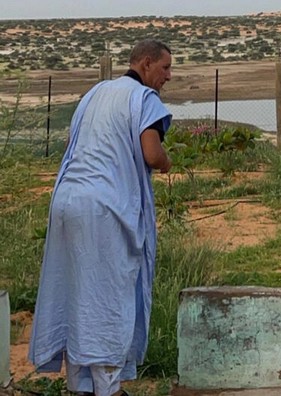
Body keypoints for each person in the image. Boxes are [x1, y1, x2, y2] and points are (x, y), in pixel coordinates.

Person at [29, 39, 173, 396]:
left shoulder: (95, 93)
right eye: (165, 67)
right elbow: (152, 154)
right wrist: (169, 162)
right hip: (104, 208)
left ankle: (81, 385)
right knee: (109, 295)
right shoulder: (144, 99)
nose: (168, 76)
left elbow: (72, 146)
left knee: (78, 294)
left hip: (68, 200)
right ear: (144, 63)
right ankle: (108, 388)